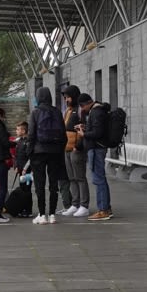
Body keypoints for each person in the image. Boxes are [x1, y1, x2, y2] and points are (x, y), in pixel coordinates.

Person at [26, 86, 68, 224]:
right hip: (55, 152)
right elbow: (63, 133)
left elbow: (31, 134)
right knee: (53, 184)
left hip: (39, 152)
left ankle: (42, 214)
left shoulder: (35, 113)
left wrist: (29, 151)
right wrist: (60, 149)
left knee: (40, 183)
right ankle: (52, 214)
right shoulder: (57, 112)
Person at [78, 94, 112, 220]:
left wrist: (84, 133)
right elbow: (97, 129)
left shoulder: (96, 112)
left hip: (96, 148)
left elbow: (97, 133)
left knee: (98, 179)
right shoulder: (98, 110)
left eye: (82, 106)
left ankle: (103, 210)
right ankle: (106, 208)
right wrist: (85, 128)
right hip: (98, 147)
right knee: (100, 178)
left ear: (87, 103)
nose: (82, 109)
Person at [60, 85, 90, 218]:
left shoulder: (80, 110)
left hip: (76, 149)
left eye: (68, 97)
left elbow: (85, 129)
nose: (66, 100)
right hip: (66, 148)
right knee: (71, 178)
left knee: (80, 178)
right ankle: (75, 203)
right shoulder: (68, 111)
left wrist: (78, 145)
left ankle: (84, 205)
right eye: (65, 97)